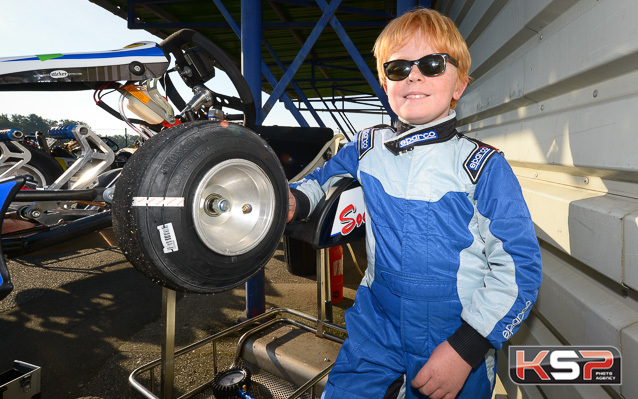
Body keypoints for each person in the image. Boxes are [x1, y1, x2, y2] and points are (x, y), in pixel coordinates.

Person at [287, 8, 542, 399]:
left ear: (459, 84)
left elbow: (520, 271)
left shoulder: (484, 168)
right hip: (376, 327)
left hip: (454, 335)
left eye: (432, 64)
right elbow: (321, 181)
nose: (414, 75)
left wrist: (466, 349)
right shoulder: (367, 146)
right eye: (398, 67)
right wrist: (292, 202)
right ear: (384, 83)